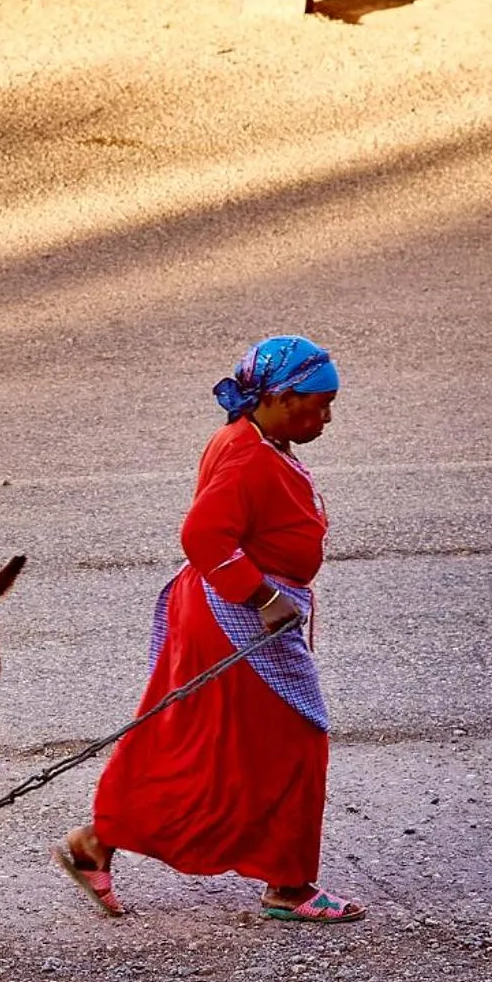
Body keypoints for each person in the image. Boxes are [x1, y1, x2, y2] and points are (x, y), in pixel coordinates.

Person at [52, 335, 363, 923]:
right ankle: (289, 888)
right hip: (240, 621)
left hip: (219, 615)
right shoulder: (248, 455)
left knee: (194, 742)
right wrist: (266, 596)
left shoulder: (252, 439)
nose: (326, 417)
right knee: (296, 743)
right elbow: (202, 537)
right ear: (279, 397)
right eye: (319, 404)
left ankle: (96, 843)